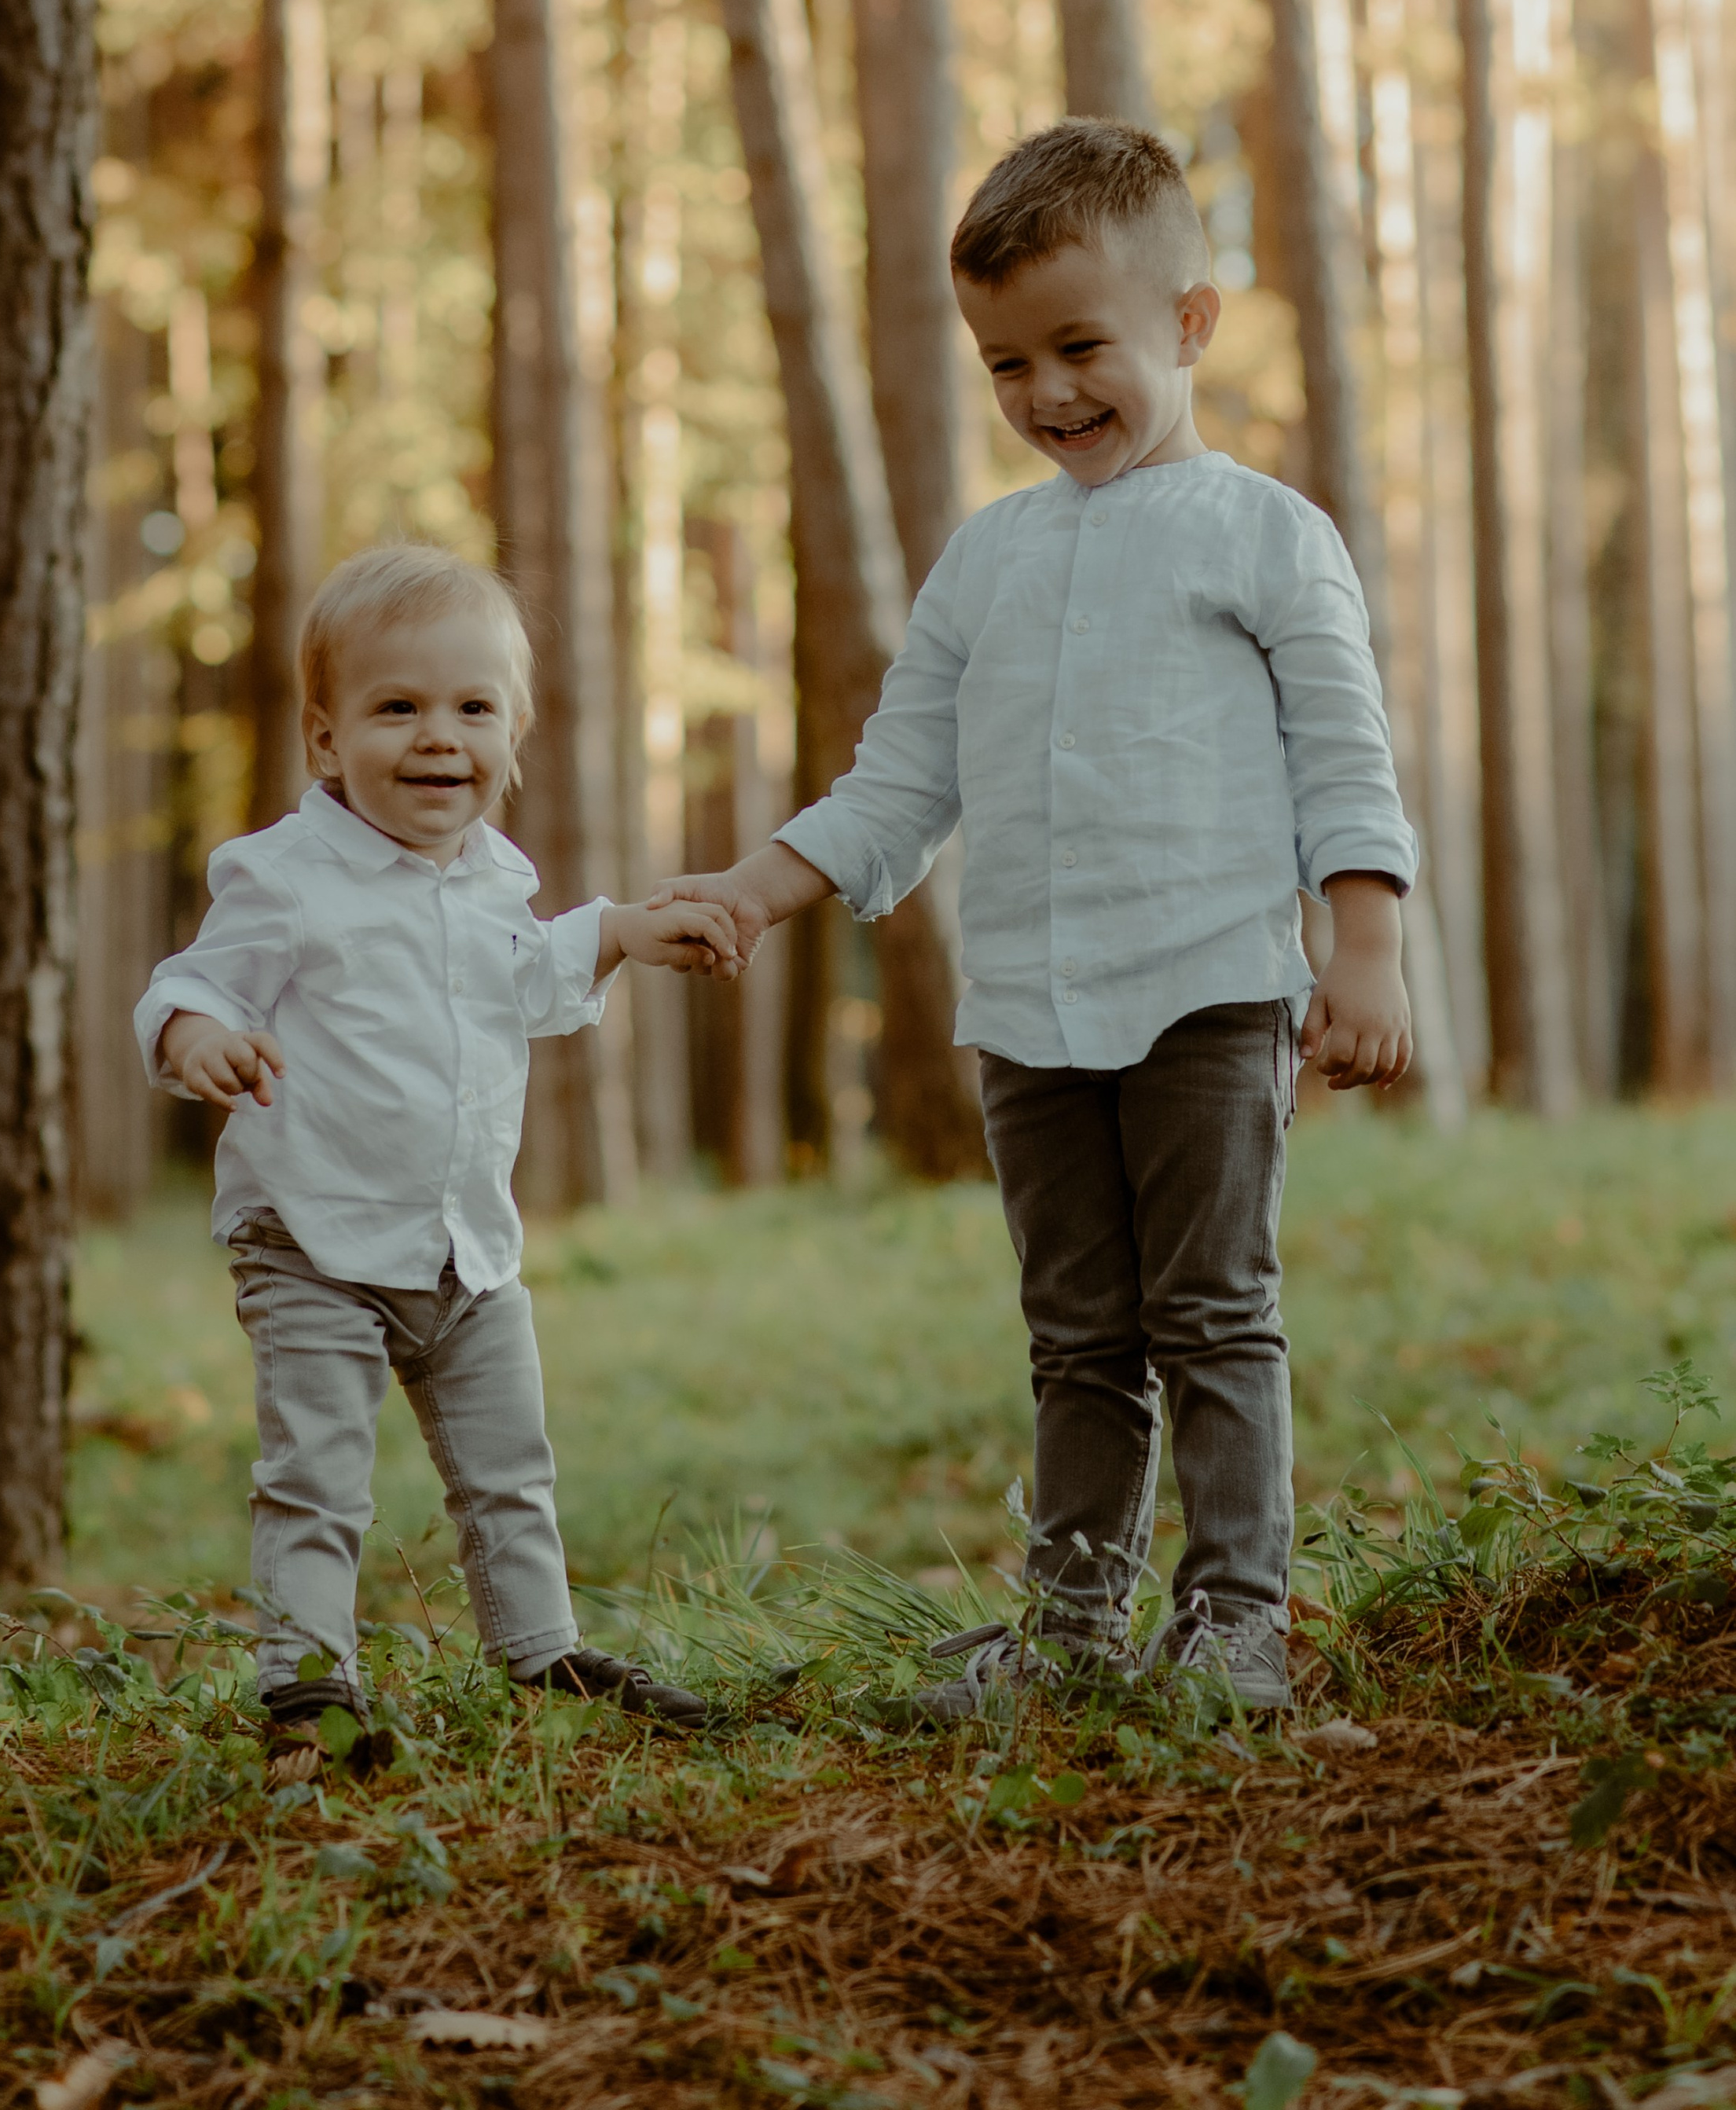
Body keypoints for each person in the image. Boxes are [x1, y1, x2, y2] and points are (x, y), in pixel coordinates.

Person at [652, 120, 1415, 1716]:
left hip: (1207, 986)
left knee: (1211, 1311)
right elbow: (893, 782)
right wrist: (752, 887)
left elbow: (1342, 754)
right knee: (1075, 1335)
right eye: (1006, 363)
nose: (1046, 393)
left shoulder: (1264, 533)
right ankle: (1070, 1623)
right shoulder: (983, 562)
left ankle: (1231, 1617)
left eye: (1081, 346)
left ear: (1188, 324)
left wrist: (1361, 944)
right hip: (1024, 1012)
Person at [135, 541, 742, 1749]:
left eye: (473, 709)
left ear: (512, 736)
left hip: (465, 1247)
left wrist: (620, 928)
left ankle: (542, 1647)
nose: (436, 738)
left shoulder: (490, 878)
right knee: (317, 1469)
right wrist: (200, 1033)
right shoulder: (287, 876)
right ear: (325, 741)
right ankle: (306, 1677)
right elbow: (191, 981)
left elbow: (529, 979)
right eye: (396, 707)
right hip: (311, 1237)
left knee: (510, 1464)